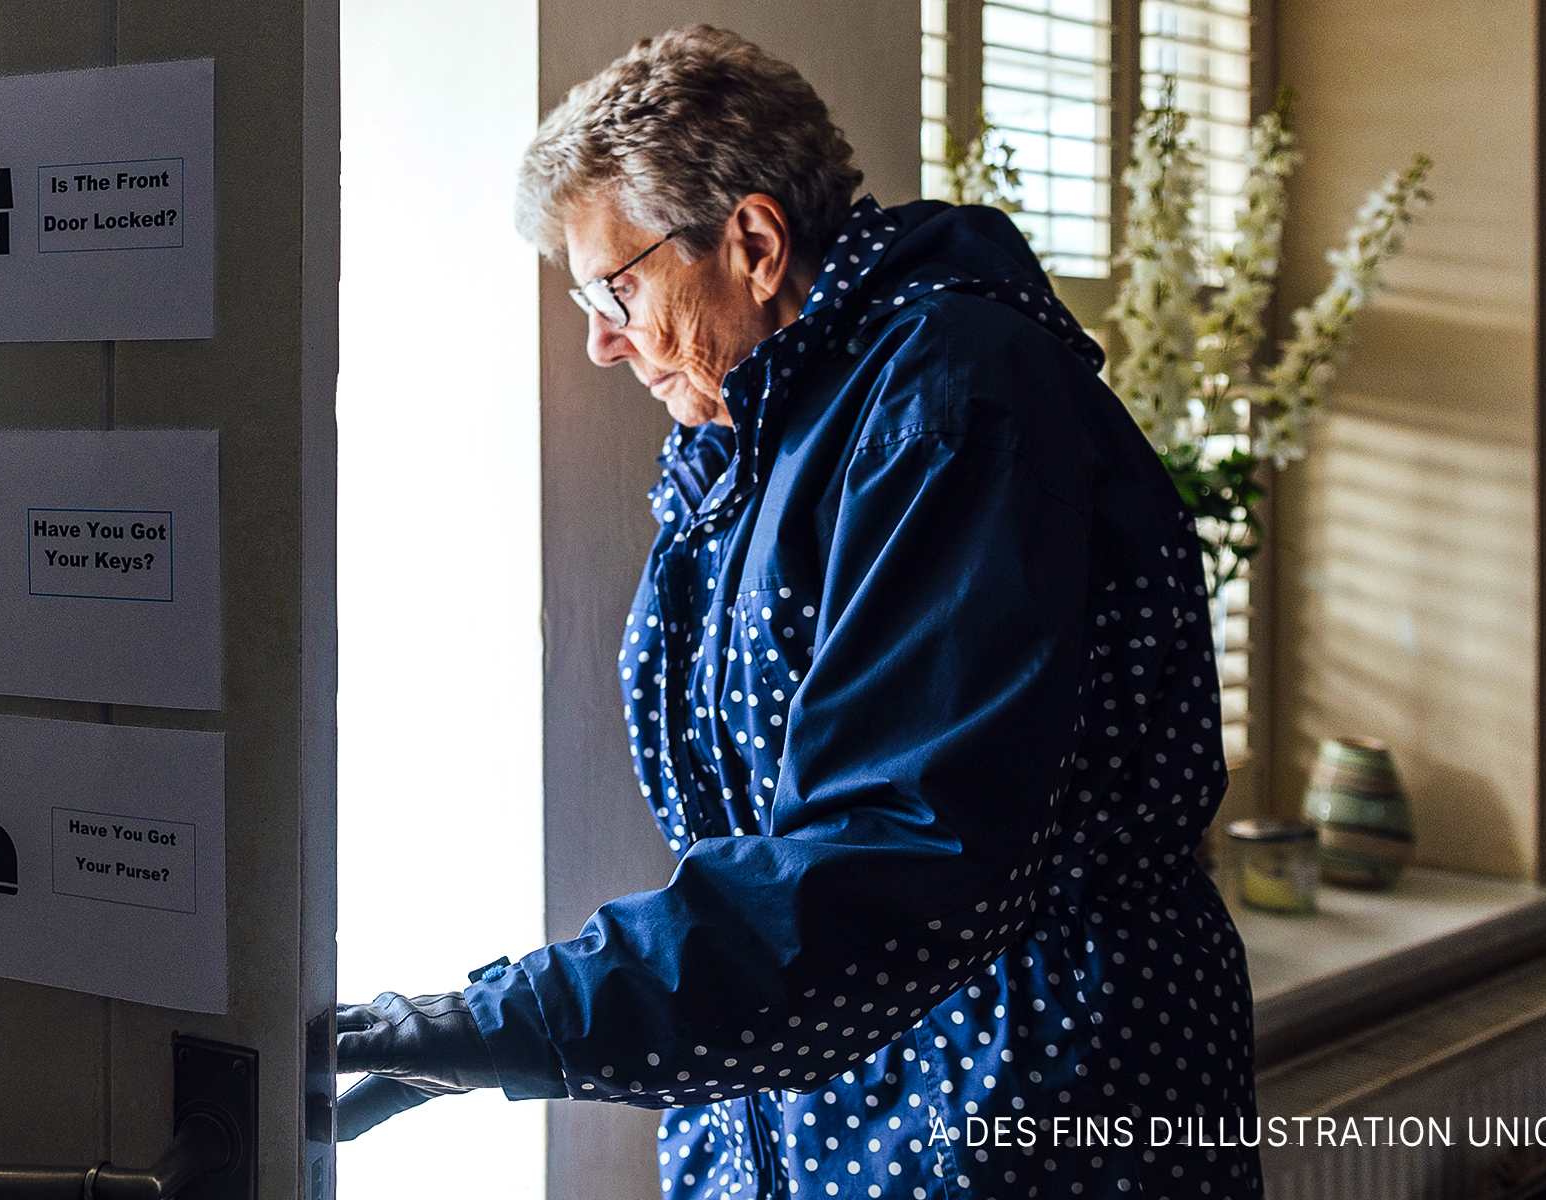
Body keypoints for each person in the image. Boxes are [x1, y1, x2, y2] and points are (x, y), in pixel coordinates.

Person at [337, 24, 1262, 1198]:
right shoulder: (750, 440)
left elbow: (888, 858)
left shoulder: (953, 398)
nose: (598, 343)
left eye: (613, 289)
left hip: (1009, 1101)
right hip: (805, 1105)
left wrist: (505, 1024)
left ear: (756, 243)